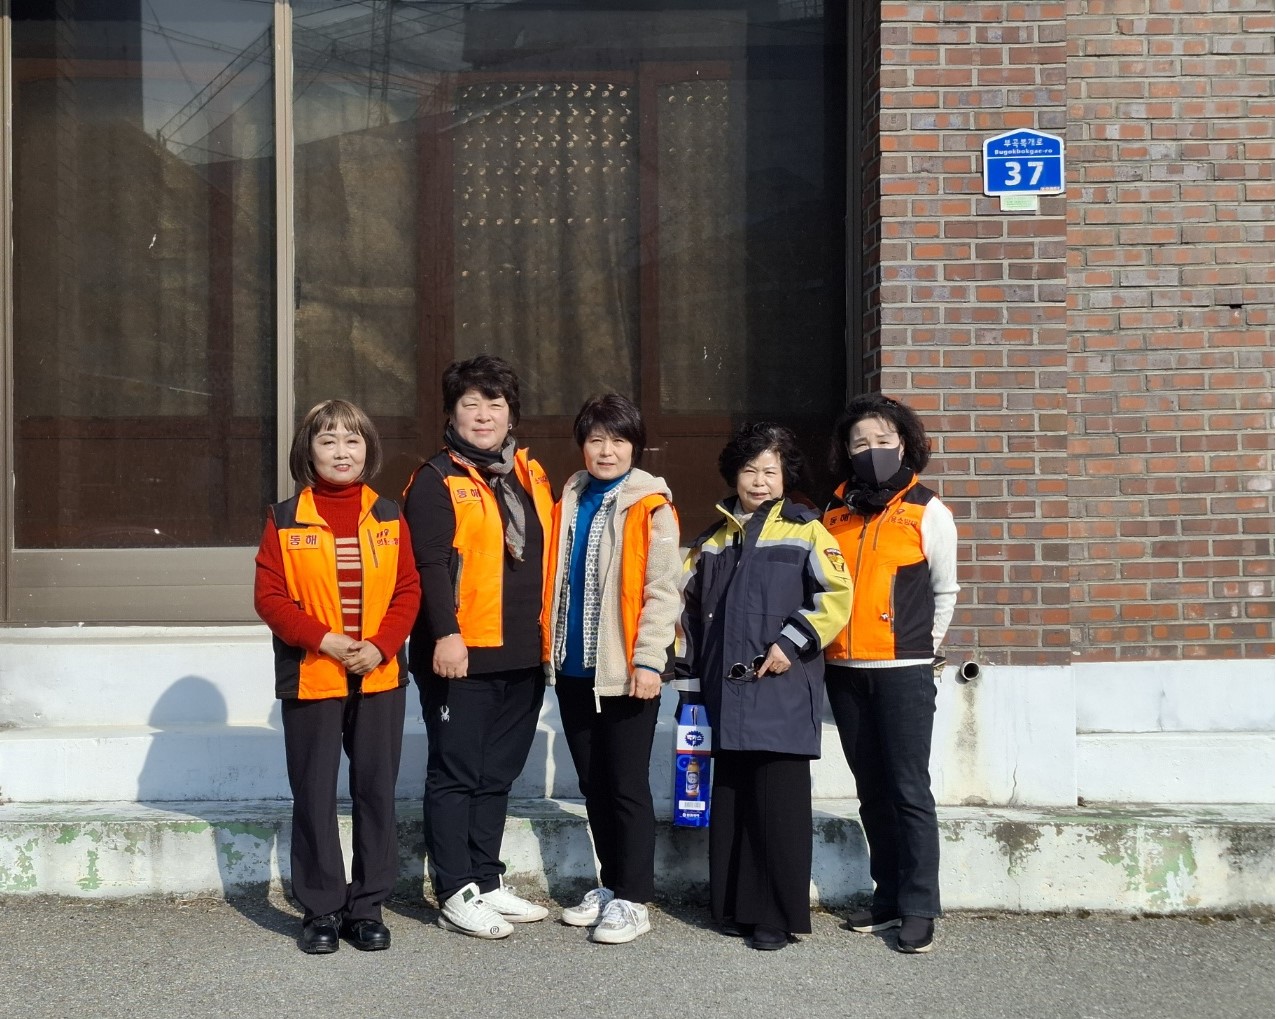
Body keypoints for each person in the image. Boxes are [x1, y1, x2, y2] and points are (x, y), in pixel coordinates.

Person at [253, 399, 421, 955]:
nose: (341, 451)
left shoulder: (390, 515)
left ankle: (368, 907)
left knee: (375, 791)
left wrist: (380, 646)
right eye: (328, 440)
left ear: (368, 449)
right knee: (315, 793)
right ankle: (321, 909)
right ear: (309, 451)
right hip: (312, 674)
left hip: (378, 675)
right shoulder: (283, 519)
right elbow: (270, 598)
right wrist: (323, 639)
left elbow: (408, 590)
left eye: (352, 440)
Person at [676, 422, 851, 951]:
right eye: (750, 470)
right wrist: (689, 689)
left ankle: (776, 916)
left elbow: (836, 595)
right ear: (734, 474)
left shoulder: (807, 530)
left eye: (770, 471)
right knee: (733, 803)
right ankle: (733, 908)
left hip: (780, 686)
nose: (758, 481)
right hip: (723, 694)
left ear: (784, 477)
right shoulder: (712, 541)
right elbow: (687, 620)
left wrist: (790, 643)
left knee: (778, 808)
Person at [403, 354, 554, 939]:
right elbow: (428, 566)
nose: (484, 415)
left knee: (497, 774)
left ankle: (486, 879)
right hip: (461, 654)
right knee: (456, 773)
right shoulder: (435, 479)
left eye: (495, 403)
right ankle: (454, 889)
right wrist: (446, 633)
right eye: (471, 404)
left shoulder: (528, 475)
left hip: (523, 652)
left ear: (512, 413)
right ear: (451, 414)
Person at [822, 393, 960, 955]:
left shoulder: (928, 510)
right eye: (861, 442)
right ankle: (888, 898)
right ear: (847, 450)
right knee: (872, 791)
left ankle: (919, 906)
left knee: (908, 789)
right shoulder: (835, 513)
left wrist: (922, 650)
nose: (872, 450)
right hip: (844, 669)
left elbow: (945, 591)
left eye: (883, 440)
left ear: (904, 444)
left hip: (904, 670)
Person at [541, 393, 682, 944]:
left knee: (626, 785)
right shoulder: (569, 498)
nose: (606, 450)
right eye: (597, 439)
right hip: (574, 667)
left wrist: (649, 660)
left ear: (635, 447)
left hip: (627, 671)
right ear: (582, 444)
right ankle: (611, 884)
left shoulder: (652, 506)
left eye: (618, 440)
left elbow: (663, 590)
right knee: (593, 784)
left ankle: (634, 898)